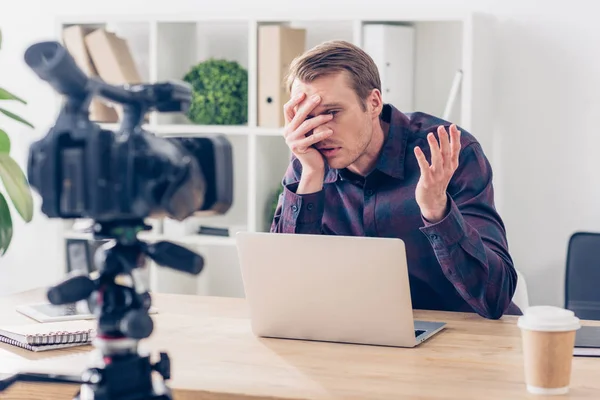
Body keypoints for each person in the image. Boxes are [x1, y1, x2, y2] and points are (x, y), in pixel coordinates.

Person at [270, 40, 521, 320]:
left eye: (332, 112)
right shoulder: (308, 160)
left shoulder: (448, 152)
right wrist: (310, 178)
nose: (320, 132)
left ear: (373, 102)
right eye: (307, 117)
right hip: (367, 338)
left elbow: (495, 297)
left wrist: (438, 210)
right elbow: (286, 292)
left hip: (464, 338)